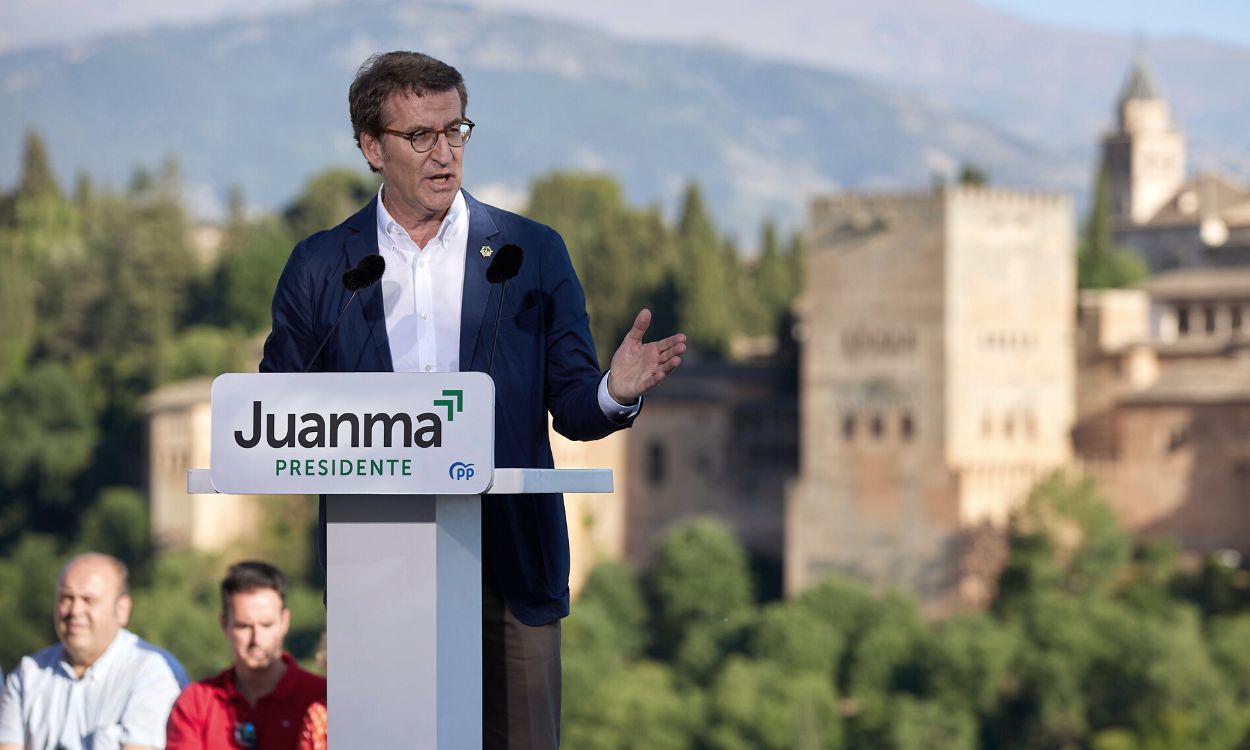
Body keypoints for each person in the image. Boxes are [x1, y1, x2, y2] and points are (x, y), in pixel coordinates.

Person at [259, 51, 686, 748]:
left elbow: (573, 404)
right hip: (379, 569)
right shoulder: (322, 266)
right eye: (419, 135)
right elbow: (279, 412)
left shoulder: (530, 252)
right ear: (372, 147)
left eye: (455, 130)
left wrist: (615, 391)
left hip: (511, 563)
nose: (443, 153)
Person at [0, 552, 188, 750]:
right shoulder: (28, 673)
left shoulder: (150, 673)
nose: (75, 611)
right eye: (66, 598)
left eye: (88, 600)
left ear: (122, 609)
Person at [166, 562, 325, 750]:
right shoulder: (196, 702)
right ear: (224, 625)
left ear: (285, 621)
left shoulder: (321, 700)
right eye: (244, 626)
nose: (256, 638)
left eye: (266, 624)